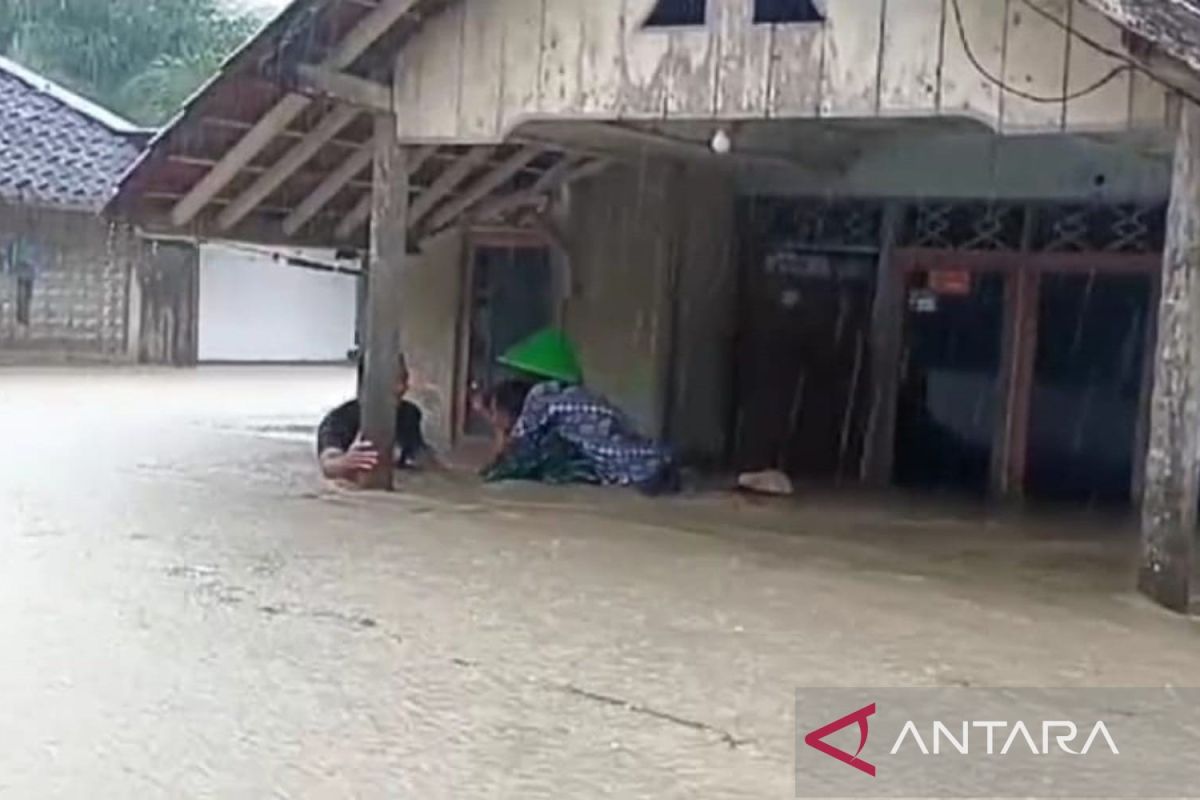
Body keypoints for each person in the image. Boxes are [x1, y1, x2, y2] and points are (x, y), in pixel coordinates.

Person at [483, 329, 681, 495]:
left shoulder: (542, 398)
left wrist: (498, 431)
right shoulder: (577, 399)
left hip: (638, 476)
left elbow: (503, 467)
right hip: (656, 459)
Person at [317, 354, 433, 480]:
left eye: (404, 379)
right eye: (392, 380)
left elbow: (420, 455)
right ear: (368, 384)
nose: (402, 387)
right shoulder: (339, 420)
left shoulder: (409, 413)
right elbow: (328, 464)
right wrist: (345, 462)